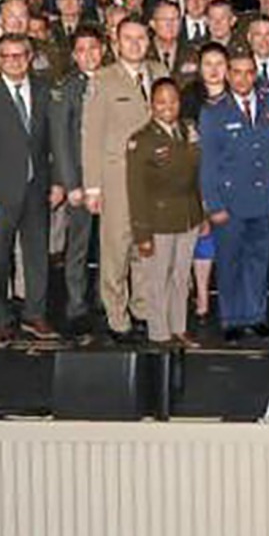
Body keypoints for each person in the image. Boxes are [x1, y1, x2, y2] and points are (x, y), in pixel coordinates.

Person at [64, 18, 162, 342]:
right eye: (128, 39)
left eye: (141, 38)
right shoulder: (103, 80)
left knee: (147, 248)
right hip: (116, 178)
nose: (135, 44)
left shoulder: (160, 73)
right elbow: (91, 135)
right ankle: (117, 317)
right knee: (116, 249)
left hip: (153, 178)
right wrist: (93, 187)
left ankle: (143, 309)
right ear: (116, 43)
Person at [0, 33, 61, 342]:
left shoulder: (45, 92)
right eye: (7, 56)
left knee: (36, 255)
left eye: (20, 55)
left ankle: (35, 314)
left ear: (30, 57)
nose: (14, 61)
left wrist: (58, 181)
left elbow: (55, 142)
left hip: (37, 189)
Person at [199, 48, 269, 339]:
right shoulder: (214, 111)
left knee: (258, 259)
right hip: (230, 200)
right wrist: (213, 204)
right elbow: (208, 163)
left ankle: (255, 314)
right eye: (236, 72)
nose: (243, 78)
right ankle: (232, 318)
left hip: (263, 196)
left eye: (249, 72)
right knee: (230, 261)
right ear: (227, 75)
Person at [128, 77, 207, 346]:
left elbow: (197, 176)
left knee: (181, 277)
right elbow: (136, 191)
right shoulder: (141, 140)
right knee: (158, 279)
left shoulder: (189, 130)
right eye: (161, 101)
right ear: (151, 105)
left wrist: (202, 213)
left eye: (173, 100)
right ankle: (160, 334)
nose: (168, 106)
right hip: (158, 220)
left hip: (188, 216)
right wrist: (142, 234)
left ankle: (179, 327)